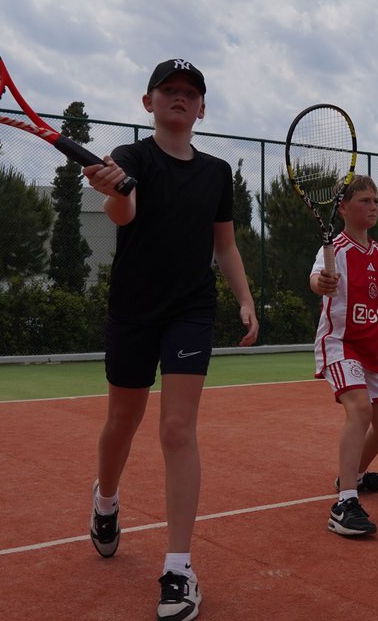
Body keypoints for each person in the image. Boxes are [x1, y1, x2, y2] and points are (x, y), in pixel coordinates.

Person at [83, 59, 260, 621]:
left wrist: (245, 298)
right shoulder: (131, 158)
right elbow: (123, 210)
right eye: (169, 91)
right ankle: (106, 500)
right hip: (133, 310)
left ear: (202, 108)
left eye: (190, 93)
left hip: (191, 310)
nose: (180, 99)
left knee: (178, 428)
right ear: (148, 102)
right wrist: (112, 190)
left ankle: (179, 568)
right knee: (123, 421)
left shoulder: (215, 174)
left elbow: (225, 245)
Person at [310, 175, 378, 538]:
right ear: (343, 207)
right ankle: (344, 502)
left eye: (375, 200)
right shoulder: (335, 248)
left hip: (371, 349)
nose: (373, 206)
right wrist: (321, 283)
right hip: (340, 343)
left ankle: (355, 475)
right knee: (360, 408)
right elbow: (317, 278)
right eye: (364, 200)